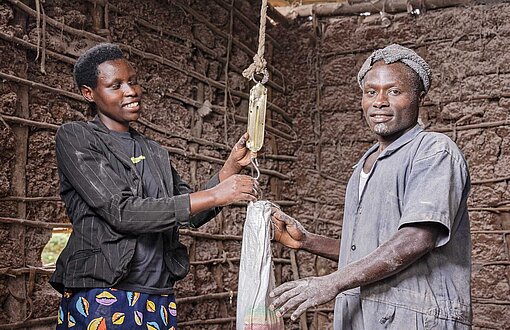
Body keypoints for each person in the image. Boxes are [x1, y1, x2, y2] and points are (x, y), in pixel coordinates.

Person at [50, 43, 259, 329]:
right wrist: (215, 194)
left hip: (157, 294)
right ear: (89, 93)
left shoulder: (154, 151)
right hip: (104, 293)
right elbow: (121, 211)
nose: (130, 91)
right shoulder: (77, 137)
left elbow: (191, 209)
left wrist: (229, 170)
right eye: (116, 85)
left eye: (133, 81)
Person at [269, 44, 471, 329]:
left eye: (394, 91)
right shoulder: (365, 165)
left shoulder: (434, 151)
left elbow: (417, 238)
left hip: (414, 319)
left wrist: (332, 282)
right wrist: (307, 241)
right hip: (362, 316)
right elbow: (368, 252)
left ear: (420, 98)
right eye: (371, 92)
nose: (380, 101)